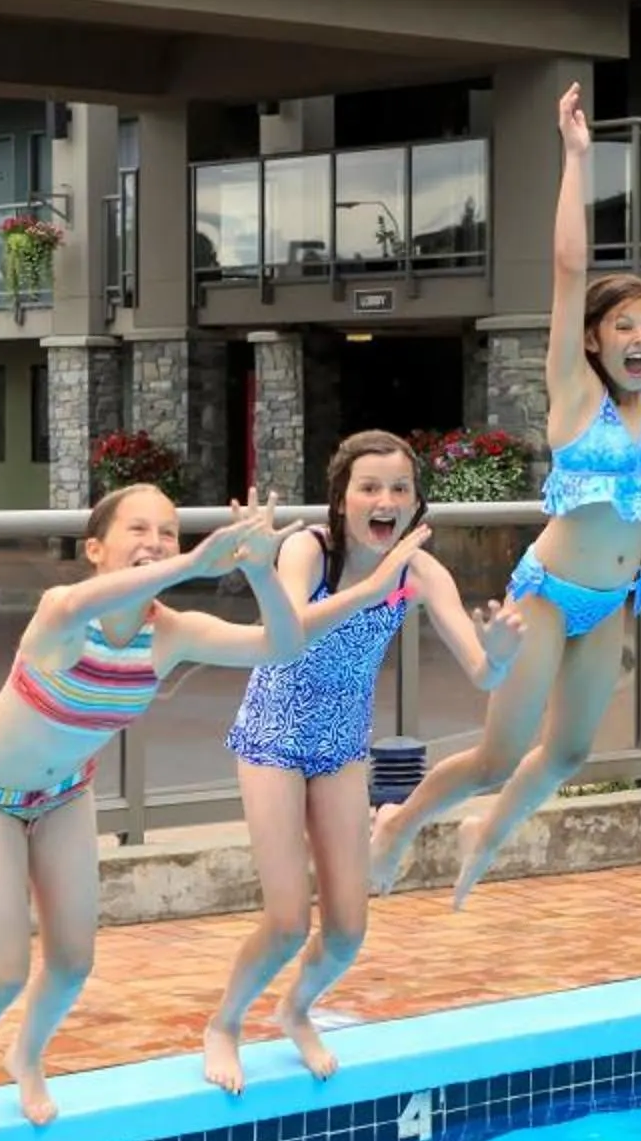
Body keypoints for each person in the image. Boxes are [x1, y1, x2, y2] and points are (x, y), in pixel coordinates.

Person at [0, 485, 423, 1141]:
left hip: (65, 793)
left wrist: (257, 572)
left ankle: (27, 1056)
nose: (154, 541)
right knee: (6, 968)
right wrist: (193, 562)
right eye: (138, 529)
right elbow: (75, 600)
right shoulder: (63, 613)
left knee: (72, 963)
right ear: (95, 548)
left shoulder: (170, 633)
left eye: (167, 530)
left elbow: (279, 645)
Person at [367, 86, 641, 902]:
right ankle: (397, 822)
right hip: (551, 597)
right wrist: (576, 159)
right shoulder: (574, 390)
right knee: (498, 754)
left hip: (614, 599)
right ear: (595, 339)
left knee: (566, 755)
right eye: (624, 326)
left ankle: (487, 831)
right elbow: (568, 271)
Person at [204, 429, 525, 1093]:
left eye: (400, 489)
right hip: (273, 736)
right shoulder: (307, 551)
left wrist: (497, 655)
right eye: (370, 487)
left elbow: (481, 674)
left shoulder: (419, 571)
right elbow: (287, 635)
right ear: (342, 498)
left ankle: (295, 1010)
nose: (385, 499)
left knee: (348, 929)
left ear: (415, 504)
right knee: (290, 918)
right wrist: (373, 586)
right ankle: (226, 1024)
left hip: (342, 745)